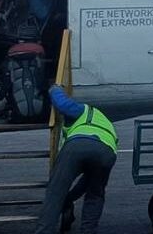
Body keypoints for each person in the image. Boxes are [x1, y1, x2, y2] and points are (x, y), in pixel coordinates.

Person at [34, 85, 115, 234]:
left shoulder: (84, 110)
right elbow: (85, 183)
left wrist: (54, 89)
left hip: (77, 147)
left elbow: (63, 104)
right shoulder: (104, 123)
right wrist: (69, 198)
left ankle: (44, 231)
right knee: (95, 195)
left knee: (55, 192)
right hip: (107, 153)